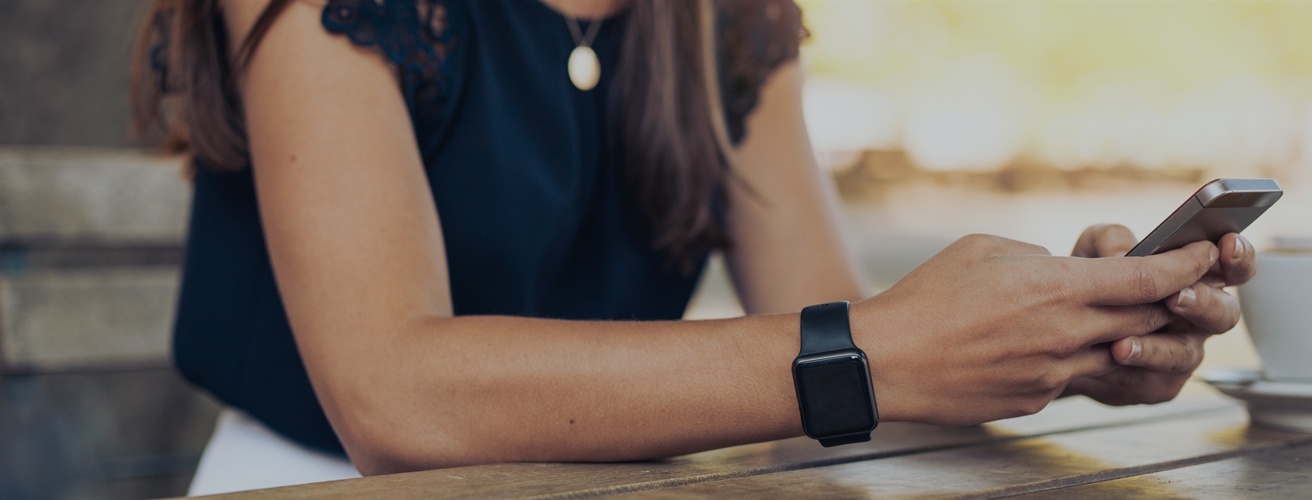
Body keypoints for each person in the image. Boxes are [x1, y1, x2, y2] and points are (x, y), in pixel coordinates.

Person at [131, 0, 1255, 494]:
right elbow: (391, 395)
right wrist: (875, 349)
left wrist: (1054, 336)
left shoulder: (723, 13)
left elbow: (858, 348)